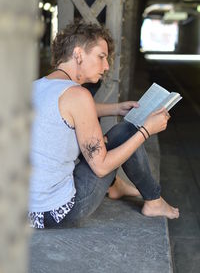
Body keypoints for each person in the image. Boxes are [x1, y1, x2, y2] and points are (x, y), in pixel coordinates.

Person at [28, 21, 179, 229]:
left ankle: (116, 187)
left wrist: (116, 108)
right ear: (78, 54)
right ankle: (154, 200)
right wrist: (146, 131)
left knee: (97, 140)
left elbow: (67, 113)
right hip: (61, 211)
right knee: (126, 132)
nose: (106, 66)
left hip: (30, 208)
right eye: (101, 56)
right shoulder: (78, 96)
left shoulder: (38, 86)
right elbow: (101, 167)